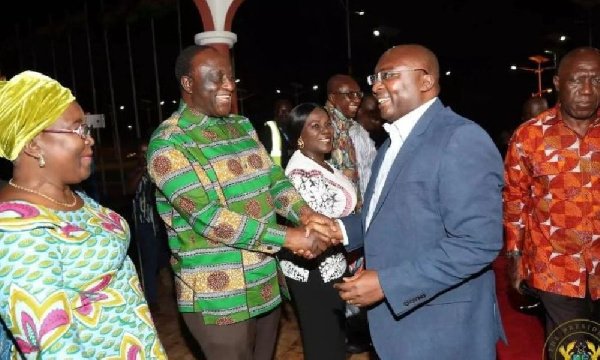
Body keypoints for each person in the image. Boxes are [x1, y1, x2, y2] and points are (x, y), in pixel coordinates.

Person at [146, 44, 340, 360]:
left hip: (264, 282)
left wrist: (305, 214)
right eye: (216, 77)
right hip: (217, 295)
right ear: (188, 84)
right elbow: (208, 217)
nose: (228, 85)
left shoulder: (241, 125)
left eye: (230, 77)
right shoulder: (170, 143)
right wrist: (289, 237)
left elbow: (274, 180)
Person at [328, 44, 506, 358]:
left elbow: (478, 242)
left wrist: (388, 283)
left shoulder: (461, 138)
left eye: (389, 75)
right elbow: (389, 216)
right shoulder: (392, 142)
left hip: (443, 330)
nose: (376, 85)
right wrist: (337, 231)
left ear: (425, 82)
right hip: (401, 327)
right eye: (375, 76)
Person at [0, 70, 166, 358]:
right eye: (77, 129)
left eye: (87, 129)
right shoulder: (16, 232)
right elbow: (51, 347)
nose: (89, 140)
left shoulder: (66, 195)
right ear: (32, 143)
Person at [504, 47, 600, 342]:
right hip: (554, 267)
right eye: (577, 80)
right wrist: (514, 258)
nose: (587, 90)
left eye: (596, 80)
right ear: (558, 83)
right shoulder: (529, 136)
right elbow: (515, 202)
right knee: (574, 346)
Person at [281, 102, 357, 360]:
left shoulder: (322, 163)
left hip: (332, 265)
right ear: (299, 137)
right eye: (315, 126)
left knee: (333, 339)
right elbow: (318, 232)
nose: (326, 131)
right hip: (314, 273)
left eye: (327, 124)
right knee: (322, 342)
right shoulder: (301, 174)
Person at [128, 138, 170, 313]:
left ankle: (166, 288)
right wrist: (142, 172)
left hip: (161, 222)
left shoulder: (158, 170)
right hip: (144, 222)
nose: (144, 155)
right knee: (149, 261)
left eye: (147, 152)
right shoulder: (135, 171)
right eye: (142, 152)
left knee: (164, 258)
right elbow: (129, 190)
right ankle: (151, 300)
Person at [325, 74, 362, 209]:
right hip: (333, 208)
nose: (357, 99)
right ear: (333, 98)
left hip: (351, 207)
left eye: (359, 94)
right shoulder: (323, 124)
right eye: (351, 94)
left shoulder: (349, 125)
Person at [258, 98, 294, 169]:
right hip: (276, 172)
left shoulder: (293, 129)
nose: (284, 113)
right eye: (281, 110)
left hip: (290, 170)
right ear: (275, 112)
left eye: (287, 111)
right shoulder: (270, 129)